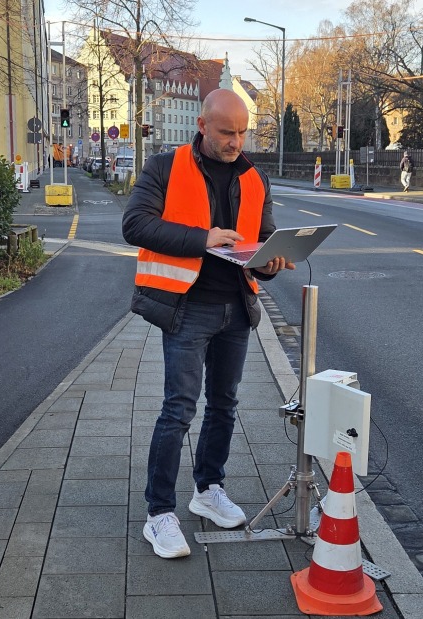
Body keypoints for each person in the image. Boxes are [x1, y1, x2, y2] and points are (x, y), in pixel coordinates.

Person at [122, 89, 294, 559]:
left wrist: (271, 262)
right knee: (178, 410)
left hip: (236, 307)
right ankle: (159, 514)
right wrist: (204, 238)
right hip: (186, 306)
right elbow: (135, 224)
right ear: (202, 125)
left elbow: (261, 240)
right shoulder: (164, 166)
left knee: (225, 405)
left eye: (242, 132)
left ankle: (208, 489)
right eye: (226, 132)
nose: (236, 141)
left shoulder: (255, 177)